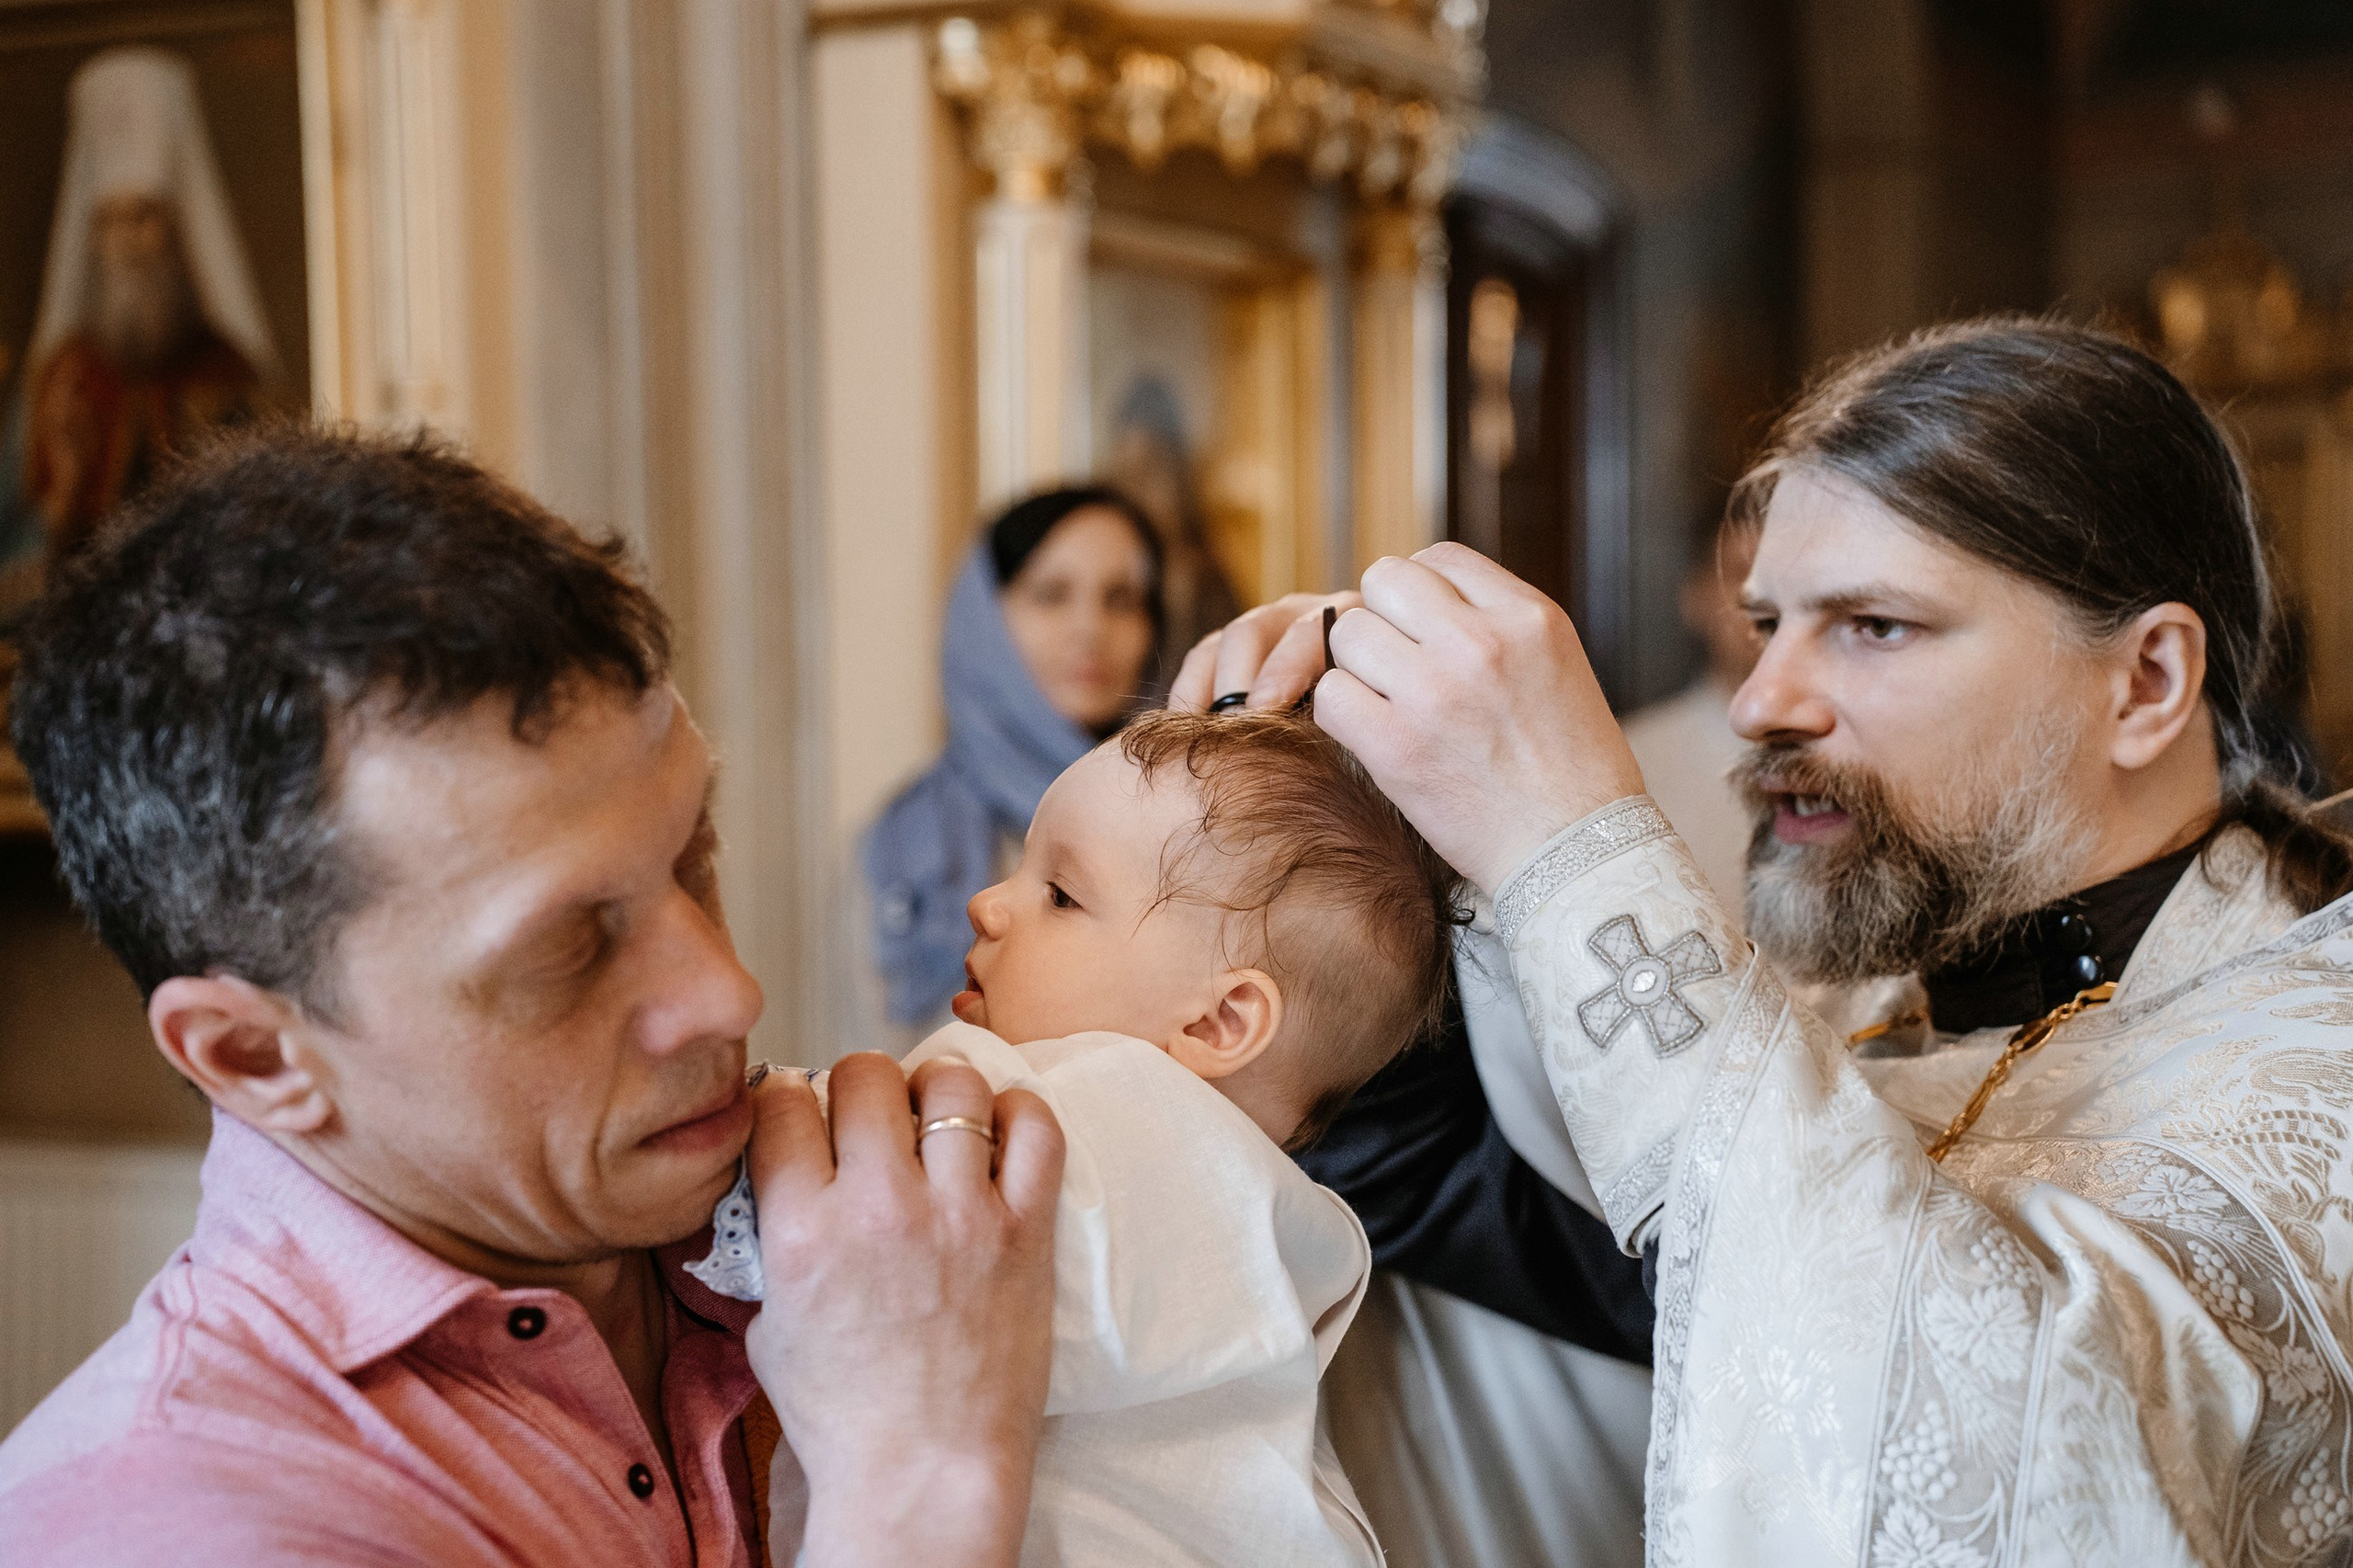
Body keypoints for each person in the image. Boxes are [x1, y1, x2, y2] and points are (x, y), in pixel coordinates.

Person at [1184, 318, 2353, 1562]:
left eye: (1874, 626)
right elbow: (1524, 1228)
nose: (1759, 702)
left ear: (2146, 682)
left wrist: (1571, 837)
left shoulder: (2309, 1073)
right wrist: (1352, 803)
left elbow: (2010, 1464)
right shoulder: (1876, 996)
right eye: (1767, 623)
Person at [0, 426, 1066, 1566]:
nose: (728, 989)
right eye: (566, 950)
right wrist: (917, 1475)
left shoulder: (842, 1228)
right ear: (256, 1055)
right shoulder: (167, 1519)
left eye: (692, 851)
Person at [708, 710, 1458, 1564]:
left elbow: (853, 1206)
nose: (987, 904)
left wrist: (746, 1115)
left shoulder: (1098, 1116)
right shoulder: (1235, 1210)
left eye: (1061, 895)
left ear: (1217, 1021)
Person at [863, 486, 1161, 1028]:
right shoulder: (905, 849)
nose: (1090, 629)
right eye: (1051, 594)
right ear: (983, 623)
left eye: (1120, 599)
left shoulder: (1198, 828)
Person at [1, 48, 274, 620]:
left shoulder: (226, 373)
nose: (128, 243)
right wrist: (69, 491)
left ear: (179, 233)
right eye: (110, 221)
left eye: (145, 216)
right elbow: (14, 556)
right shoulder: (65, 378)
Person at [1619, 517, 1760, 910]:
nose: (1768, 599)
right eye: (1742, 574)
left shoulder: (1885, 760)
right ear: (1695, 598)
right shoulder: (1623, 766)